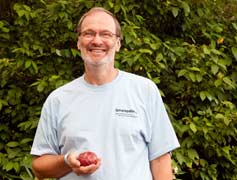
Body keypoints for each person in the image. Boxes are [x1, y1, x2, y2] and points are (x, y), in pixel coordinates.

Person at [30, 7, 180, 180]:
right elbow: (39, 167)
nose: (97, 40)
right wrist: (66, 161)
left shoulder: (145, 90)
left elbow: (160, 161)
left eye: (106, 34)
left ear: (117, 43)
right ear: (78, 42)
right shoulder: (58, 99)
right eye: (89, 33)